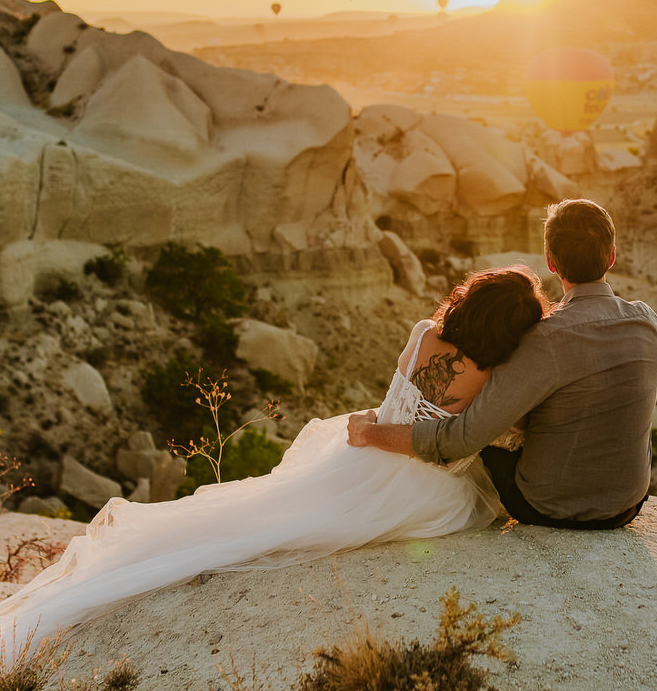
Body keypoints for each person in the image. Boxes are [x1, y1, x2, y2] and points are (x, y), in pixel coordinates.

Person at [0, 266, 549, 659]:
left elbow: (391, 405)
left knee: (263, 513)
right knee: (275, 533)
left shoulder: (425, 332)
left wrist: (367, 428)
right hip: (426, 486)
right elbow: (469, 436)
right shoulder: (495, 375)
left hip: (361, 453)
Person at [349, 198, 657, 529]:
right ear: (611, 256)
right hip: (628, 505)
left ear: (551, 262)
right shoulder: (649, 323)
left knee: (487, 436)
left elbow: (459, 440)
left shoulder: (544, 340)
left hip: (548, 508)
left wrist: (371, 433)